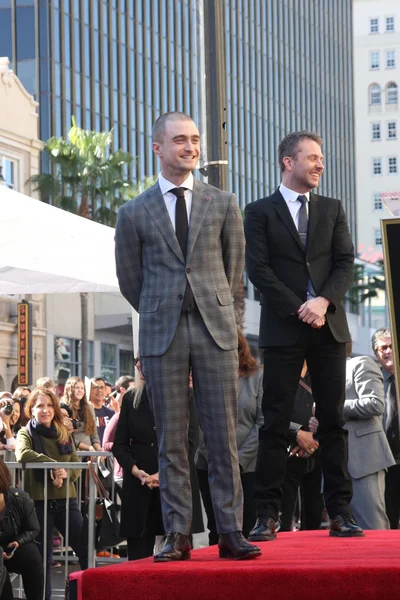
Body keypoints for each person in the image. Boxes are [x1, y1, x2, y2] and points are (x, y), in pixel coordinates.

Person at [115, 111, 260, 561]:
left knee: (223, 437)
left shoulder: (223, 202)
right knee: (172, 439)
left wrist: (227, 319)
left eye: (195, 139)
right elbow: (130, 280)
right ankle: (178, 534)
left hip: (215, 329)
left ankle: (229, 531)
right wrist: (160, 309)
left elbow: (235, 275)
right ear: (157, 147)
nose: (191, 147)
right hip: (163, 333)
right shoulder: (133, 212)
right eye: (180, 139)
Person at [244, 130, 363, 541]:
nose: (320, 164)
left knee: (332, 420)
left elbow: (345, 262)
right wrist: (300, 306)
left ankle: (341, 513)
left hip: (328, 328)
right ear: (287, 162)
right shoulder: (259, 211)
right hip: (283, 328)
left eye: (321, 158)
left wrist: (323, 301)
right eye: (311, 157)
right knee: (275, 422)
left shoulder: (332, 208)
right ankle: (267, 516)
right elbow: (258, 270)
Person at [16, 388, 88, 600]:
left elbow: (75, 464)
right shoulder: (25, 432)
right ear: (31, 409)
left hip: (67, 501)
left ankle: (90, 592)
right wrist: (55, 467)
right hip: (38, 503)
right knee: (42, 559)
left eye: (48, 405)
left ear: (55, 408)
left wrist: (65, 472)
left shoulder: (63, 432)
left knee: (84, 547)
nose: (45, 410)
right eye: (39, 406)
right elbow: (22, 453)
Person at [197, 330, 263, 542]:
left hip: (247, 466)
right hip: (209, 464)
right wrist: (217, 459)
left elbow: (262, 423)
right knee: (216, 529)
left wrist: (239, 461)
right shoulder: (204, 376)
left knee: (247, 528)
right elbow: (198, 421)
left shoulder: (257, 376)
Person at [112, 360, 163, 560]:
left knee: (176, 559)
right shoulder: (131, 398)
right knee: (138, 557)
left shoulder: (180, 395)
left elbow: (189, 443)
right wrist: (134, 469)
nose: (142, 367)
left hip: (171, 484)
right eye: (138, 363)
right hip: (138, 483)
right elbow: (119, 444)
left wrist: (162, 474)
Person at [344, 343, 394, 529]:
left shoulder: (360, 363)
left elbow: (374, 403)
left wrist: (332, 409)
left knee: (373, 528)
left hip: (363, 461)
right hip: (334, 466)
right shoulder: (321, 377)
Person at [279, 362, 324, 532]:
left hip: (317, 454)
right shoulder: (278, 374)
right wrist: (297, 434)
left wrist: (313, 440)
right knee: (281, 521)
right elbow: (267, 413)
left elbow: (332, 412)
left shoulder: (321, 375)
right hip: (286, 453)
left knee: (314, 520)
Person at [0, 460, 44, 600]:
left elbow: (33, 529)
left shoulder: (21, 499)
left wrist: (18, 542)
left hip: (13, 545)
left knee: (32, 555)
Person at [372, 328, 400, 528]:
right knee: (387, 520)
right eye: (383, 348)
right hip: (384, 462)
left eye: (391, 346)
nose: (388, 351)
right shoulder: (371, 380)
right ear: (376, 353)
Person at [62, 376, 101, 453]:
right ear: (69, 389)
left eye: (82, 388)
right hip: (72, 453)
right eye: (76, 388)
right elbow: (65, 437)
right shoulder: (63, 408)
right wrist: (89, 448)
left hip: (90, 455)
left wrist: (99, 450)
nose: (80, 390)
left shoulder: (89, 407)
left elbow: (93, 433)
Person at [89, 377, 115, 446]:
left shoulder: (111, 413)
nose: (99, 390)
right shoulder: (85, 412)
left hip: (108, 454)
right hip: (92, 454)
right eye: (95, 387)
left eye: (102, 387)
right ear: (89, 390)